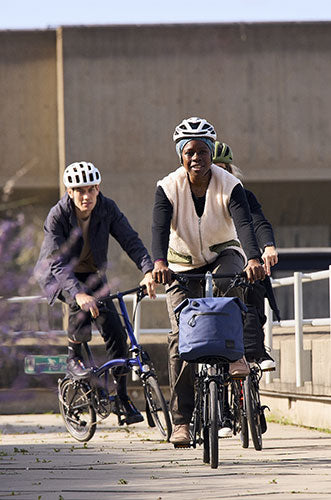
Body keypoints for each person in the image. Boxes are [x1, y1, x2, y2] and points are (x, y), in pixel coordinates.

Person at [151, 117, 265, 445]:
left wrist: (254, 258)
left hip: (222, 252)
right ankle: (182, 421)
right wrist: (158, 263)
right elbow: (159, 230)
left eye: (203, 151)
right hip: (180, 264)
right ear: (180, 156)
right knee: (180, 338)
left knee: (233, 283)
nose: (197, 158)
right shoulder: (168, 187)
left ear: (212, 152)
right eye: (190, 152)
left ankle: (237, 356)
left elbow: (244, 224)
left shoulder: (230, 185)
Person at [35, 161, 156, 425]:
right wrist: (77, 294)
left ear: (98, 189)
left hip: (93, 276)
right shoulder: (57, 215)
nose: (86, 196)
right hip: (60, 275)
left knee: (116, 331)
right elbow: (56, 262)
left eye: (90, 190)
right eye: (79, 191)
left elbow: (130, 240)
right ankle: (72, 355)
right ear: (69, 191)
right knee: (80, 307)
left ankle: (122, 399)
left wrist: (148, 270)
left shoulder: (107, 208)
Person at [213, 141, 279, 371]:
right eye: (215, 168)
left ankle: (255, 354)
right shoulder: (199, 199)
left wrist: (268, 246)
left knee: (251, 288)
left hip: (241, 260)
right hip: (210, 263)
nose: (220, 173)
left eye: (225, 168)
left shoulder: (242, 195)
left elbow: (259, 223)